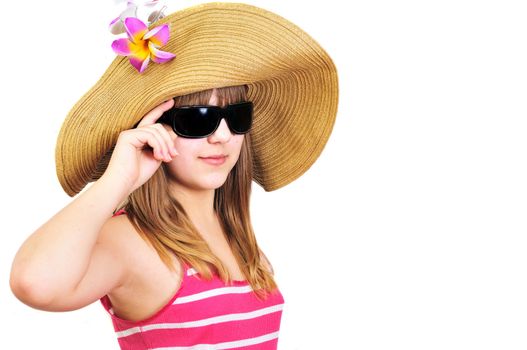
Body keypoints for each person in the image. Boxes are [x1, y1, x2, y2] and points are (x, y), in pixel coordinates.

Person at [10, 2, 338, 349]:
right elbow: (35, 283)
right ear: (151, 130)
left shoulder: (236, 235)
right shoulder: (131, 241)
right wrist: (116, 180)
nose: (222, 136)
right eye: (198, 118)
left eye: (236, 116)